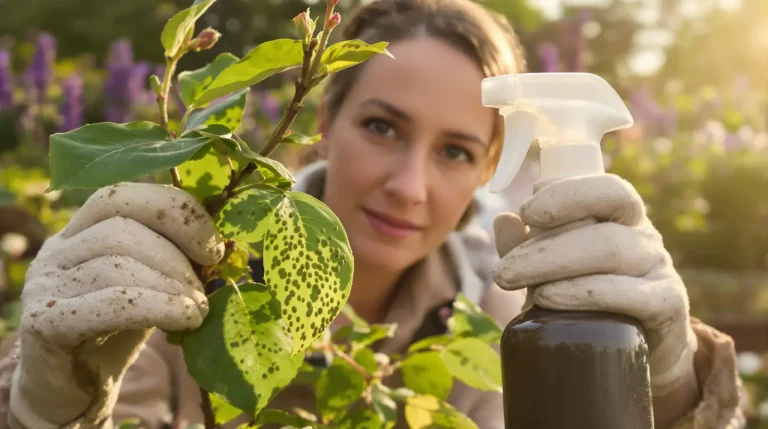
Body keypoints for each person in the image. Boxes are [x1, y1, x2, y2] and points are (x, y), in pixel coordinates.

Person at [0, 0, 743, 428]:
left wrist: (674, 388)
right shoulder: (192, 279)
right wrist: (45, 407)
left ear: (492, 169)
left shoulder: (498, 313)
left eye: (456, 152)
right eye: (383, 127)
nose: (409, 187)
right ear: (326, 116)